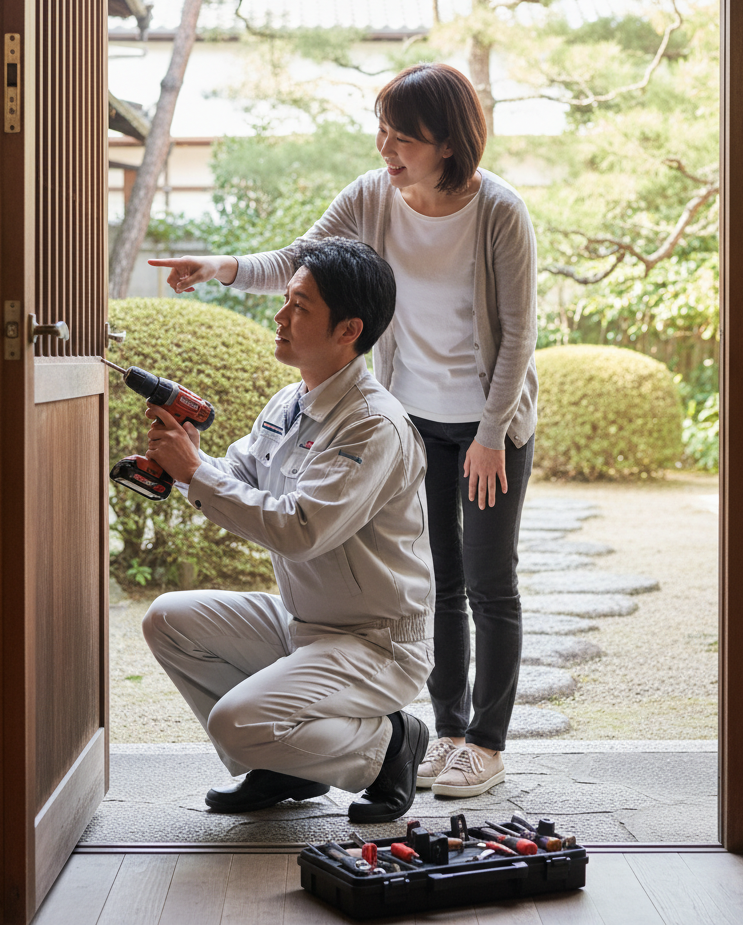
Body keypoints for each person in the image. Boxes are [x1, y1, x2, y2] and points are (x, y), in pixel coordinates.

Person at [151, 63, 538, 799]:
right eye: (383, 131)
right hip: (413, 414)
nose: (386, 147)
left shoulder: (498, 210)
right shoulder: (373, 195)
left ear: (447, 143)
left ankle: (485, 742)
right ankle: (442, 731)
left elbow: (519, 332)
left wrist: (492, 433)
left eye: (402, 137)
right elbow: (301, 262)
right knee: (442, 581)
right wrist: (221, 267)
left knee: (491, 582)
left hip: (488, 423)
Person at [141, 238, 434, 823]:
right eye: (286, 300)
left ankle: (390, 747)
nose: (279, 316)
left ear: (348, 329)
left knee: (235, 721)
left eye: (299, 306)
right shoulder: (290, 401)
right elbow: (240, 477)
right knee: (168, 620)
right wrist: (186, 465)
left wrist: (195, 473)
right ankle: (291, 766)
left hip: (375, 641)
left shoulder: (372, 426)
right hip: (305, 623)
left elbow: (300, 529)